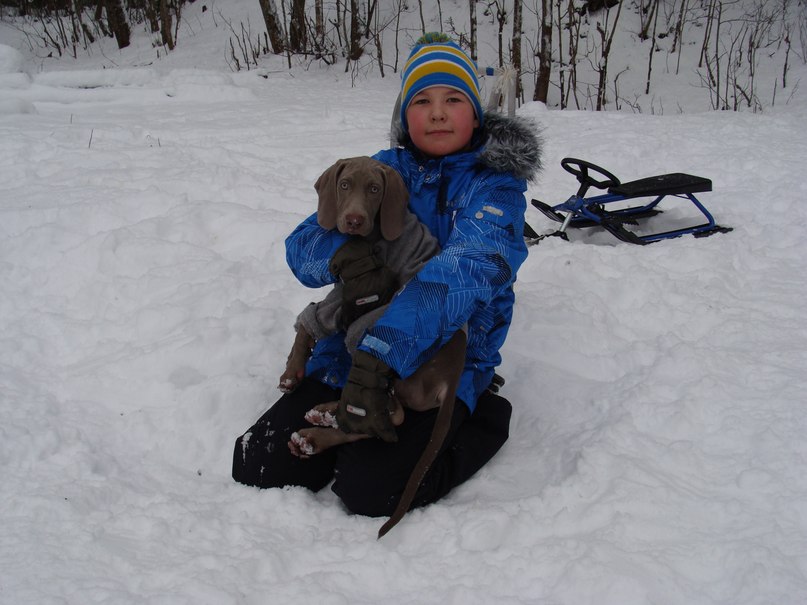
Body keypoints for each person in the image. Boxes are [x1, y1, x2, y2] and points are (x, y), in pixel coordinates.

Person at [232, 33, 542, 518]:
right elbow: (302, 248)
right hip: (353, 349)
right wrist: (342, 256)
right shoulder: (379, 169)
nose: (437, 112)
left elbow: (465, 272)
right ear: (404, 116)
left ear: (475, 114)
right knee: (259, 464)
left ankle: (480, 417)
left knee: (369, 490)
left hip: (437, 359)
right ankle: (355, 425)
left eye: (453, 99)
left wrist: (383, 353)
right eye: (422, 101)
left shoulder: (496, 187)